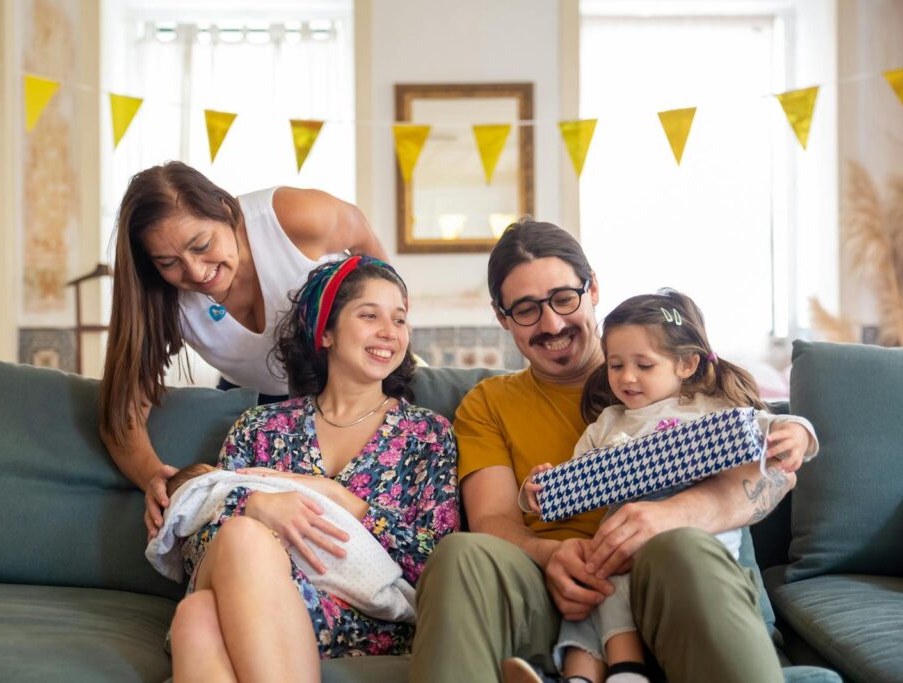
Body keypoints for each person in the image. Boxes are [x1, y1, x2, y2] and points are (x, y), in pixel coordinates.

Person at [408, 220, 799, 683]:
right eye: (527, 309)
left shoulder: (675, 377)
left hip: (673, 578)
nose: (552, 323)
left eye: (563, 298)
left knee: (680, 546)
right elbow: (494, 520)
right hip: (548, 592)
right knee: (459, 555)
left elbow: (774, 470)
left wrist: (674, 515)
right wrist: (549, 556)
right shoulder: (488, 404)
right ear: (502, 317)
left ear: (592, 289)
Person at [167, 255, 459, 682]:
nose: (389, 333)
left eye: (399, 320)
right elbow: (196, 547)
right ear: (326, 332)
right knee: (237, 541)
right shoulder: (260, 427)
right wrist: (257, 509)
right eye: (369, 315)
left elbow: (439, 562)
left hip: (365, 615)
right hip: (249, 589)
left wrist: (343, 499)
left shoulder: (426, 435)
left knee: (195, 618)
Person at [514, 290, 818, 683]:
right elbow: (570, 481)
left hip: (708, 553)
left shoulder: (709, 408)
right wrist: (534, 492)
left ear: (687, 364)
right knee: (595, 585)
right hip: (624, 544)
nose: (626, 377)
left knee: (646, 573)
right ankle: (591, 675)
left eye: (644, 364)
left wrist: (797, 434)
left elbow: (775, 429)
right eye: (616, 365)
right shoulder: (607, 423)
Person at [97, 161, 388, 539]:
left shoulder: (292, 218)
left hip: (348, 386)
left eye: (201, 245)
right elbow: (122, 413)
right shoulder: (161, 297)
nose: (197, 273)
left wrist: (386, 319)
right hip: (261, 403)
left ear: (226, 208)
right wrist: (153, 475)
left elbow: (363, 236)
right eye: (169, 263)